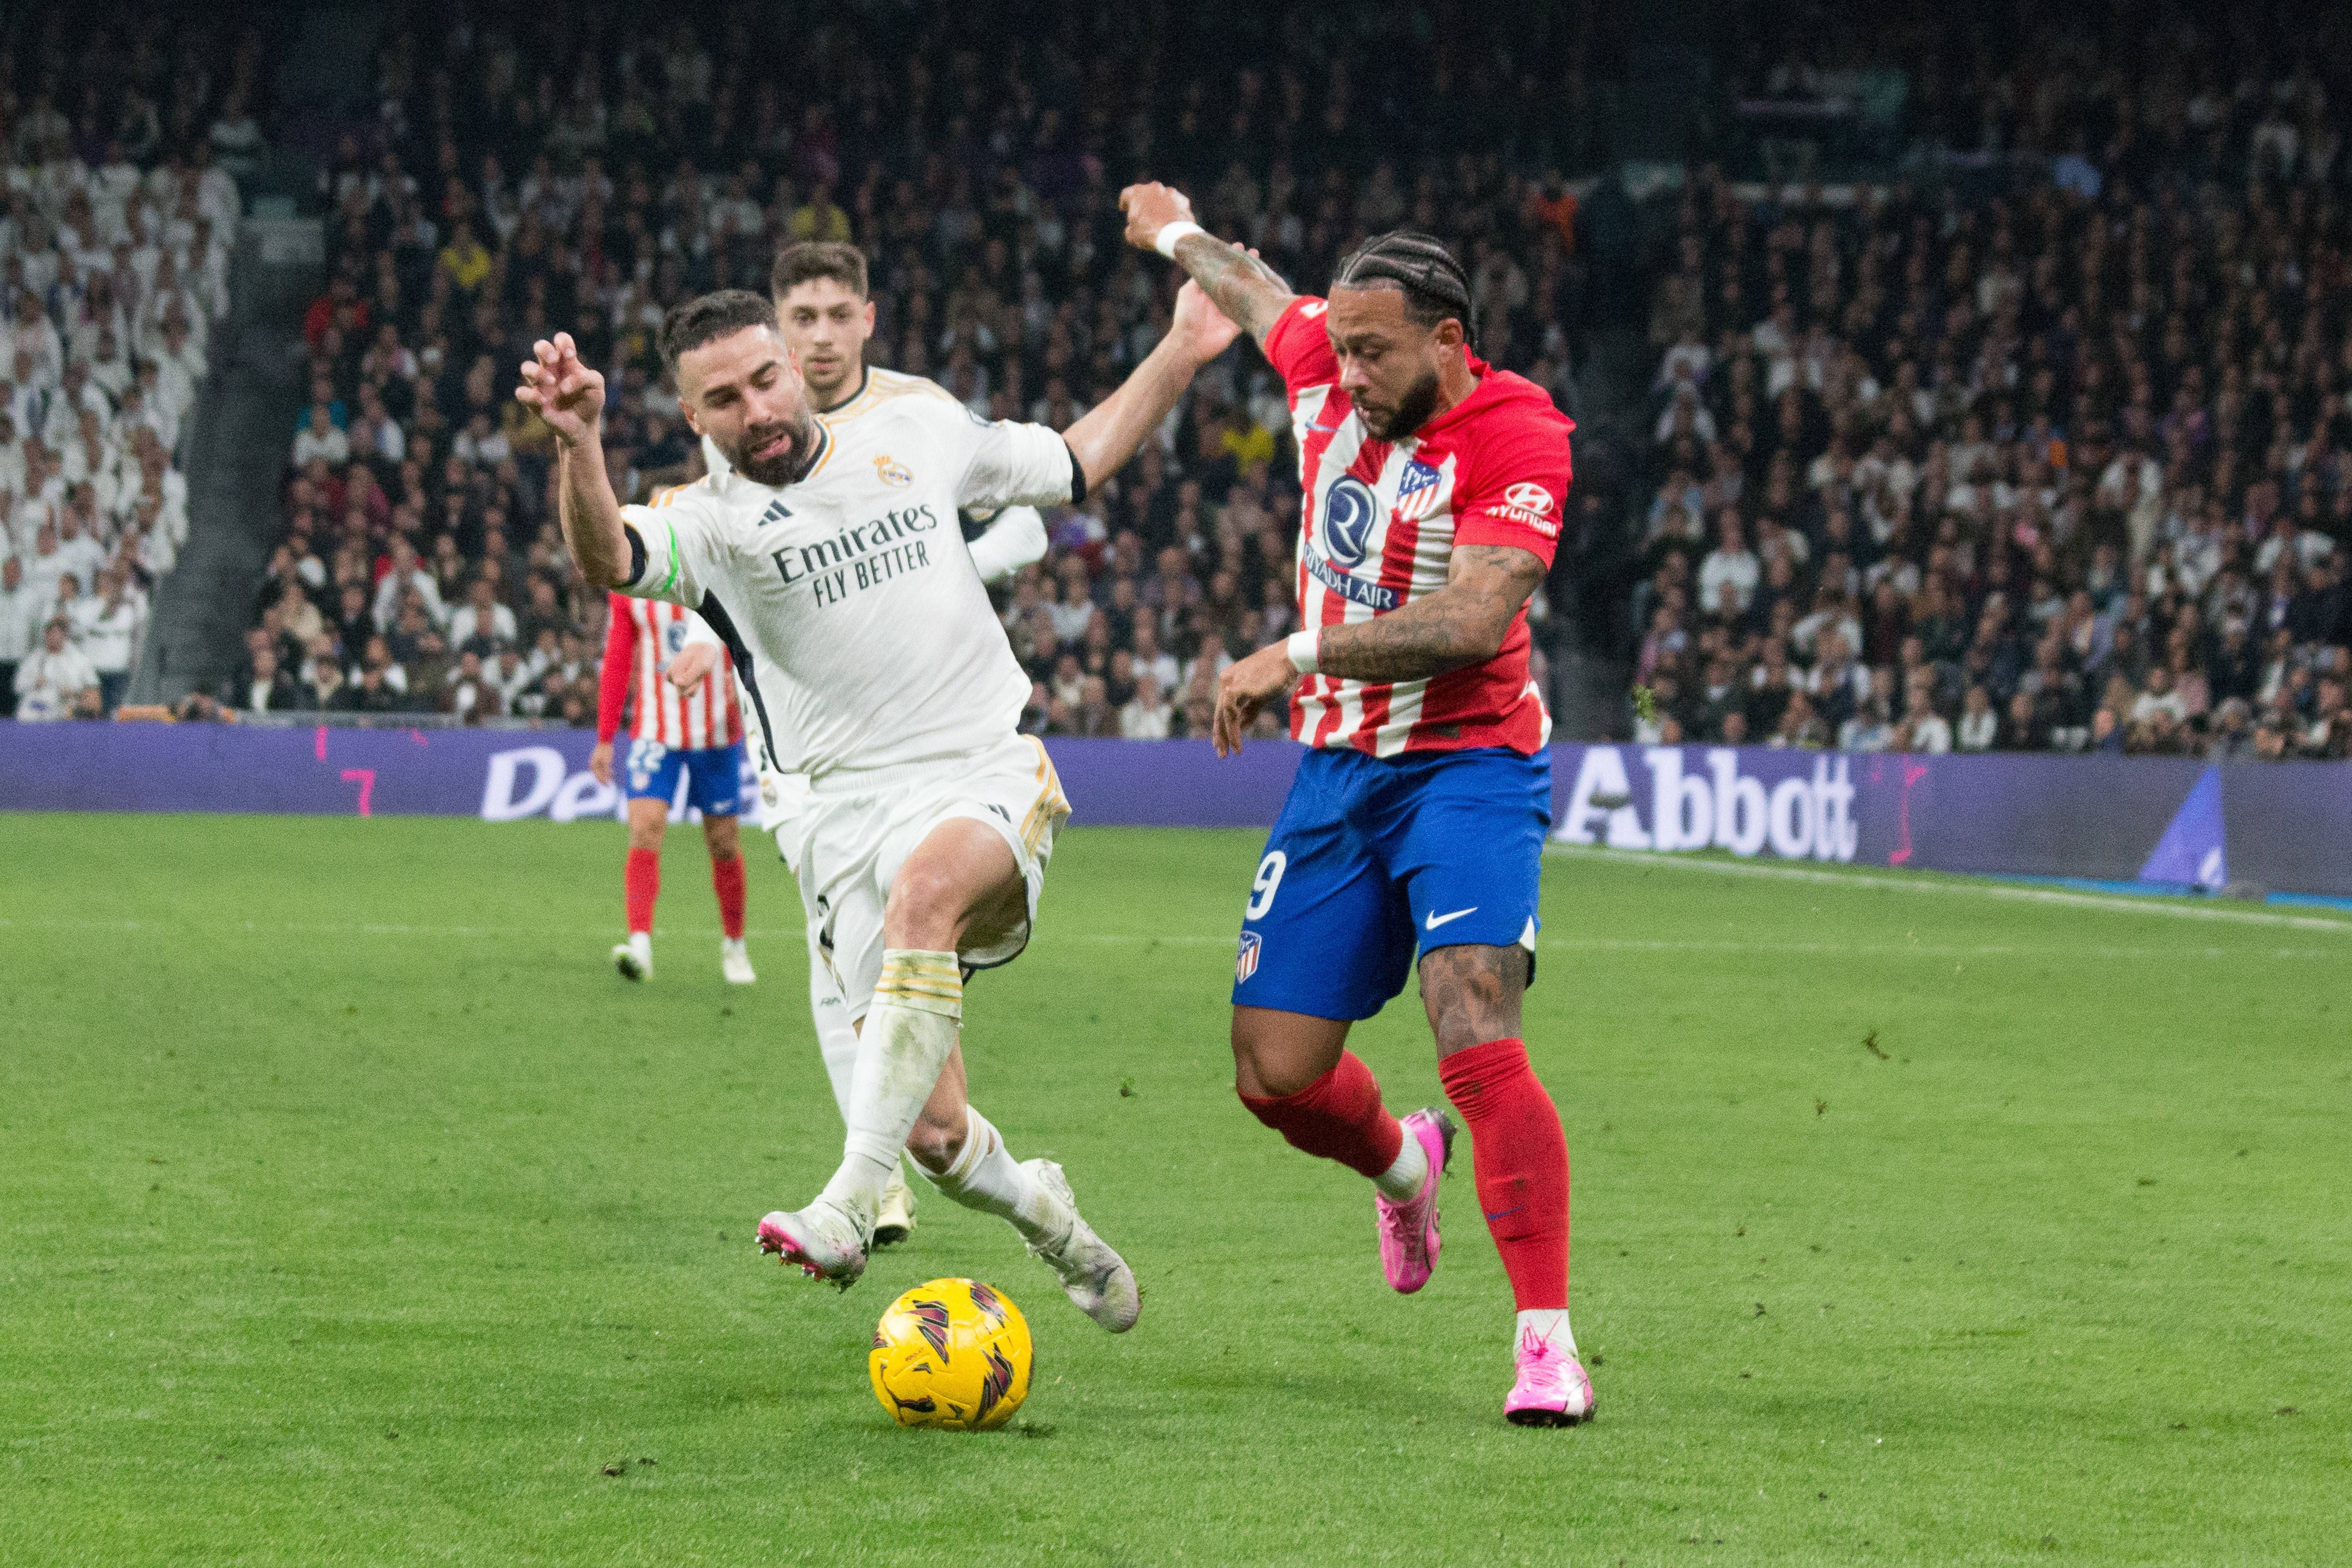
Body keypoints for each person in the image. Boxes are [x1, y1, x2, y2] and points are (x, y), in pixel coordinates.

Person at [515, 276, 1236, 1330]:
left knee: (927, 895)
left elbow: (1074, 460)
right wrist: (580, 441)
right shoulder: (710, 526)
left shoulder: (918, 431)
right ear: (692, 417)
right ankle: (1057, 1226)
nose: (756, 409)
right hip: (840, 820)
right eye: (724, 400)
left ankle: (850, 1201)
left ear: (793, 368)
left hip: (979, 769)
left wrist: (1179, 345)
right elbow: (603, 558)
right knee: (938, 1139)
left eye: (766, 379)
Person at [1124, 183, 1593, 1425]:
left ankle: (1542, 1341)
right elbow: (1254, 293)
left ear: (1448, 339)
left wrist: (1302, 650)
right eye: (1340, 350)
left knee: (1473, 1023)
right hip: (1337, 779)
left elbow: (1472, 617)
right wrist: (1173, 231)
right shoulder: (1321, 364)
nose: (1349, 373)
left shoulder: (1517, 431)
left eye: (1373, 352)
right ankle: (1401, 1162)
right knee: (1274, 1075)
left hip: (1468, 765)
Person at [664, 241, 1053, 1249]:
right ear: (779, 334)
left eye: (839, 314)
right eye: (803, 317)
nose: (821, 335)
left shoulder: (911, 417)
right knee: (837, 967)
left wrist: (951, 577)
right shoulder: (739, 445)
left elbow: (1024, 528)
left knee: (892, 946)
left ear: (866, 321)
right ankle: (899, 1170)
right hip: (804, 764)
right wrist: (715, 641)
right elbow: (741, 572)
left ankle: (863, 1181)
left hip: (931, 750)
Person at [590, 589, 756, 986]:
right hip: (654, 732)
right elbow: (618, 657)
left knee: (724, 842)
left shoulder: (715, 566)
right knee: (644, 829)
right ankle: (640, 944)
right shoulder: (629, 580)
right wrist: (605, 736)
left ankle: (735, 944)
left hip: (716, 733)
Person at [14, 617, 100, 720]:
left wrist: (73, 693)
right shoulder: (34, 658)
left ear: (64, 635)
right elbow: (18, 686)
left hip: (64, 706)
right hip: (35, 704)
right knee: (26, 715)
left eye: (57, 634)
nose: (53, 637)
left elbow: (92, 689)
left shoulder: (78, 659)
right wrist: (34, 682)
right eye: (50, 634)